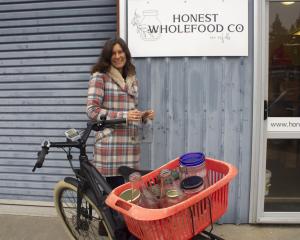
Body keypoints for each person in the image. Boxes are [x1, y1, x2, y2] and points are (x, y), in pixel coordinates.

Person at [86, 37, 154, 189]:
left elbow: (129, 110)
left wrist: (142, 116)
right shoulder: (100, 76)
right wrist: (124, 116)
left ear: (126, 53)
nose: (117, 56)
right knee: (113, 192)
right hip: (110, 146)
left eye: (120, 52)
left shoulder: (132, 78)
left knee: (130, 192)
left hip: (130, 145)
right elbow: (92, 110)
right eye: (113, 53)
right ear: (108, 57)